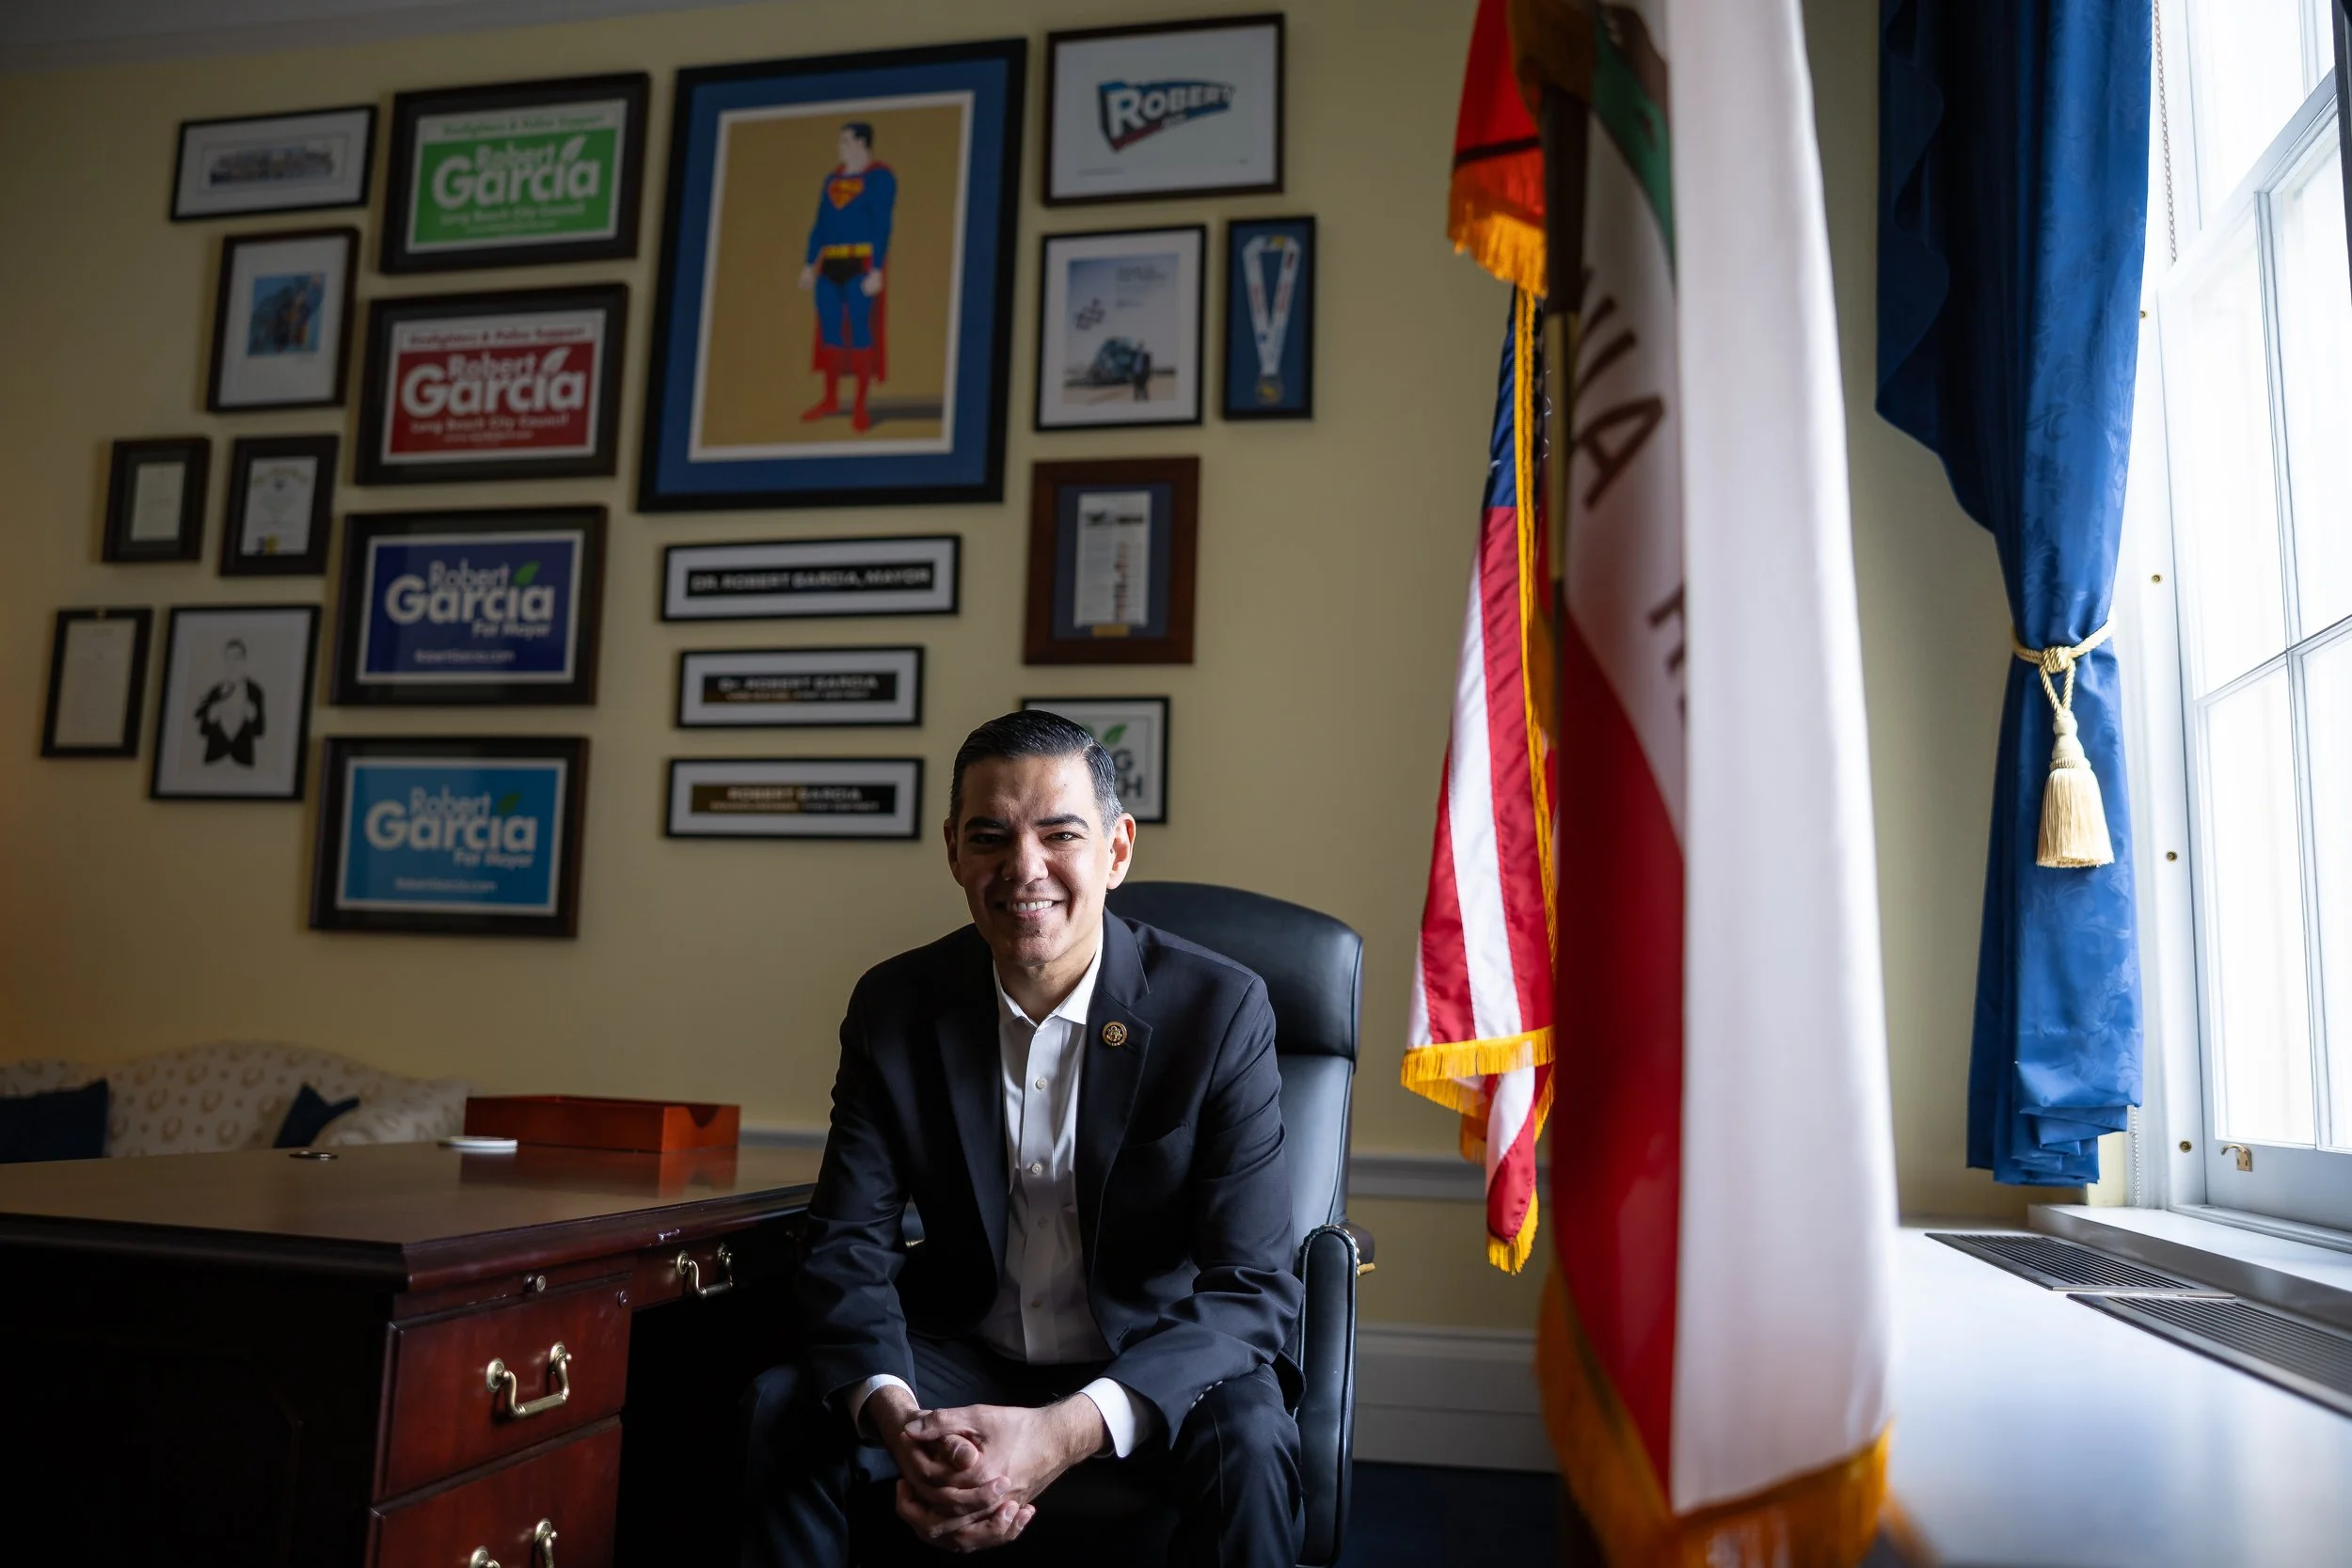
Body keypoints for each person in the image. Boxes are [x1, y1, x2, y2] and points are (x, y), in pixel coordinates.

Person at [744, 710, 1301, 1566]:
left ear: (1116, 850)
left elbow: (1252, 1285)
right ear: (953, 851)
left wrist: (1065, 1430)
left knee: (1252, 1441)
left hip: (1149, 1356)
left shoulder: (1220, 1010)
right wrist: (901, 1421)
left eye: (1059, 834)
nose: (1024, 868)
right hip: (965, 1349)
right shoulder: (896, 1006)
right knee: (783, 1410)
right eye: (990, 836)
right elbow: (848, 1242)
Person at [796, 120, 896, 434]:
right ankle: (830, 399)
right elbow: (820, 223)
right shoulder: (832, 179)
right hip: (830, 265)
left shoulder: (880, 177)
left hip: (860, 264)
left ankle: (860, 406)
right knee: (830, 332)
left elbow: (882, 224)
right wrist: (809, 263)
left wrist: (876, 269)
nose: (839, 147)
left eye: (845, 141)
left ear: (861, 144)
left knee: (861, 332)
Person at [192, 639, 265, 767]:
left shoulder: (255, 691)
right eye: (229, 658)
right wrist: (210, 719)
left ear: (244, 661)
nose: (232, 663)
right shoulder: (215, 691)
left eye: (237, 658)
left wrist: (253, 718)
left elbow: (260, 731)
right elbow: (203, 731)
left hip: (243, 763)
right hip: (214, 762)